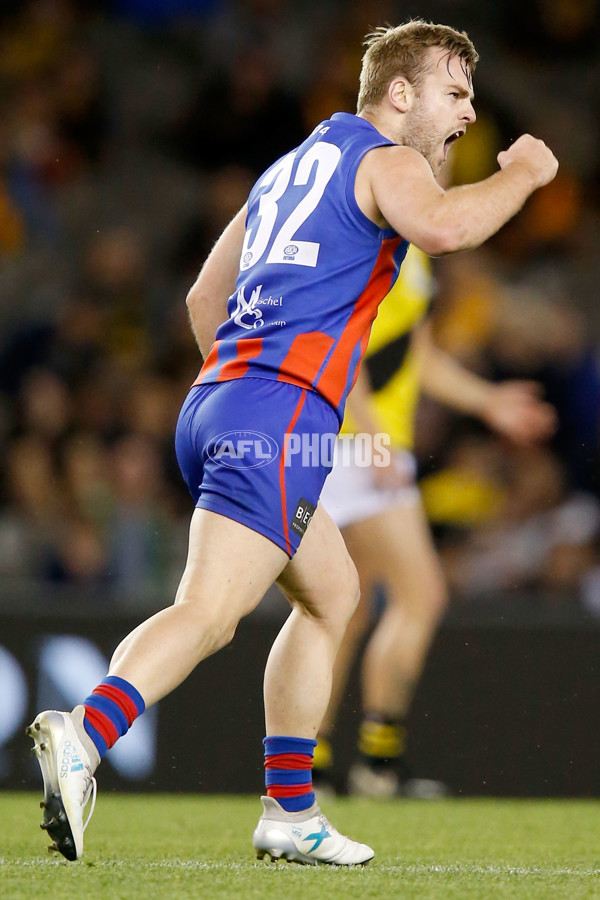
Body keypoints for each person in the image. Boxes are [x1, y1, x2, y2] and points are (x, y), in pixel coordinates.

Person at [27, 20, 558, 865]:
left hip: (221, 407)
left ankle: (289, 811)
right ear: (398, 93)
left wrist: (244, 398)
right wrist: (525, 174)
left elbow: (206, 298)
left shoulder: (288, 169)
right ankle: (85, 735)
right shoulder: (390, 160)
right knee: (210, 614)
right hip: (272, 418)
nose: (465, 112)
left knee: (333, 594)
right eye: (454, 91)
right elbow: (447, 230)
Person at [316, 245, 557, 798]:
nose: (443, 161)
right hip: (353, 443)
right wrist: (373, 434)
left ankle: (316, 768)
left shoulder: (412, 249)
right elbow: (336, 339)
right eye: (438, 151)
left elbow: (414, 354)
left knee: (342, 612)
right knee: (420, 596)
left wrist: (489, 401)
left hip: (355, 442)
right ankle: (376, 763)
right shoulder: (374, 232)